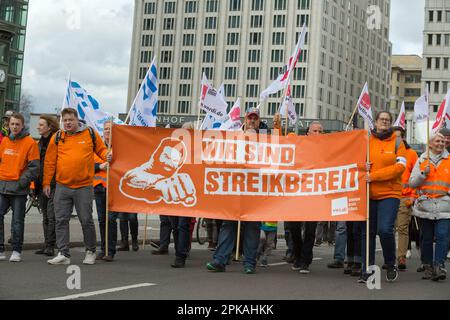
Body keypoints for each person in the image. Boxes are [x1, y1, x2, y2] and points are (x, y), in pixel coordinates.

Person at [45, 108, 108, 265]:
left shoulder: (90, 134)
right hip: (62, 186)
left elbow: (102, 150)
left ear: (77, 120)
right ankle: (63, 254)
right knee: (61, 220)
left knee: (86, 220)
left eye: (70, 120)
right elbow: (49, 161)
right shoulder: (57, 137)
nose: (67, 123)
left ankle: (90, 251)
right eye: (65, 120)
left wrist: (108, 155)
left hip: (84, 186)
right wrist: (46, 182)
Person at [206, 107, 265, 274]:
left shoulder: (266, 140)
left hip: (254, 190)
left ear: (258, 121)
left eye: (255, 118)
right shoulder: (232, 137)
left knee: (252, 226)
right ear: (244, 120)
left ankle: (249, 262)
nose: (252, 120)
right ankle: (220, 260)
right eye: (249, 118)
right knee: (228, 223)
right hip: (234, 188)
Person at [358, 111, 407, 283]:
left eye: (387, 120)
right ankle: (368, 269)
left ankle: (390, 263)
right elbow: (356, 163)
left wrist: (375, 175)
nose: (384, 122)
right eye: (381, 119)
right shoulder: (366, 141)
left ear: (390, 123)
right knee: (368, 233)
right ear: (376, 122)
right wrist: (362, 165)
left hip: (390, 194)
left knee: (385, 229)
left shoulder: (398, 142)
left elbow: (400, 167)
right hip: (368, 194)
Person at [409, 133, 450, 281]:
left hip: (445, 206)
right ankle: (427, 265)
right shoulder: (422, 160)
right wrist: (422, 174)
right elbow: (412, 183)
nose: (441, 143)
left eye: (442, 141)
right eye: (437, 141)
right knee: (426, 238)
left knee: (442, 236)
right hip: (425, 206)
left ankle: (439, 266)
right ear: (430, 144)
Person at [0, 112, 40, 262]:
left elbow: (34, 168)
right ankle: (1, 249)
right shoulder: (4, 141)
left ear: (22, 125)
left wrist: (21, 182)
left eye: (17, 124)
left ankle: (16, 250)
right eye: (12, 124)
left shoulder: (30, 142)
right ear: (8, 125)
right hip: (2, 186)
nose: (15, 127)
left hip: (19, 188)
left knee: (17, 220)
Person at [287, 122, 323, 274]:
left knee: (310, 229)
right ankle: (298, 253)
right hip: (297, 194)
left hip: (314, 194)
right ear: (307, 133)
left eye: (320, 131)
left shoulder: (327, 149)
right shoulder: (299, 146)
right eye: (314, 131)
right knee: (293, 227)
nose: (317, 134)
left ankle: (305, 260)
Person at [93, 121, 120, 261]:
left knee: (110, 220)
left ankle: (110, 251)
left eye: (110, 129)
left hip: (113, 188)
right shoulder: (97, 147)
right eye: (105, 129)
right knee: (102, 220)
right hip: (98, 187)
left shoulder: (120, 148)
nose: (107, 131)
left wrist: (113, 159)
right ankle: (103, 249)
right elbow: (89, 165)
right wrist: (99, 166)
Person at [393, 127, 418, 271]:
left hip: (405, 197)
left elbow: (415, 178)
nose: (396, 139)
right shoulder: (388, 153)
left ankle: (401, 257)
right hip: (388, 196)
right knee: (388, 229)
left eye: (398, 137)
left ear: (403, 138)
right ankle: (390, 257)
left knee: (402, 228)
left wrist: (413, 196)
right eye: (393, 137)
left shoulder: (412, 154)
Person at [34, 115, 60, 257]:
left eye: (41, 125)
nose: (38, 127)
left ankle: (50, 245)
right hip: (40, 184)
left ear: (49, 127)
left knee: (51, 215)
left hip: (53, 183)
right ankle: (47, 244)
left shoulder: (56, 141)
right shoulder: (38, 143)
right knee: (45, 216)